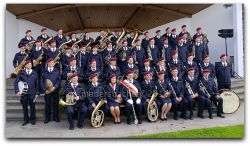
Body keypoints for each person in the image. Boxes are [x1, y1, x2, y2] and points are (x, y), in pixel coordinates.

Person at [14, 60, 40, 126]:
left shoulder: (35, 73)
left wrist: (37, 93)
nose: (30, 65)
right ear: (25, 65)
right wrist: (17, 91)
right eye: (28, 64)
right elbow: (16, 82)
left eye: (30, 64)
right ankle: (26, 120)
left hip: (32, 93)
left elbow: (37, 84)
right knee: (24, 107)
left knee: (32, 107)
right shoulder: (21, 73)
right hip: (24, 93)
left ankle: (32, 119)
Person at [40, 58, 61, 124]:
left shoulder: (57, 70)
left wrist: (55, 87)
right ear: (47, 63)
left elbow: (59, 80)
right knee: (47, 104)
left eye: (52, 62)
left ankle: (55, 117)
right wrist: (44, 89)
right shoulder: (43, 71)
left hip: (55, 90)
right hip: (47, 91)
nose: (51, 63)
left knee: (55, 104)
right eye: (50, 62)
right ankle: (47, 118)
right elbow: (41, 81)